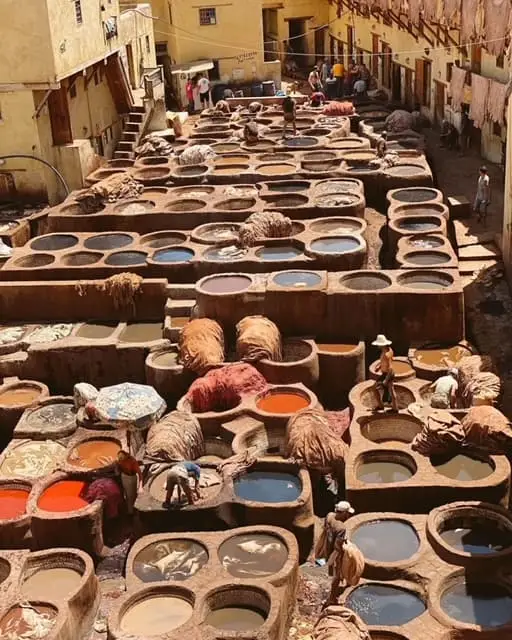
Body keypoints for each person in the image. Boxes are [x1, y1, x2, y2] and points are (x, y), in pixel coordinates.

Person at [315, 501, 355, 604]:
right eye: (347, 513)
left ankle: (338, 578)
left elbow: (326, 529)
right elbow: (338, 547)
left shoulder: (329, 516)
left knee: (332, 570)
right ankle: (332, 597)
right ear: (344, 513)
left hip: (327, 547)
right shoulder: (341, 527)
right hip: (335, 553)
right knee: (336, 575)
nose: (348, 515)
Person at [372, 334, 398, 411]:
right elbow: (386, 362)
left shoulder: (386, 355)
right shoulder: (389, 350)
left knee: (374, 388)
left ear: (381, 344)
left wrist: (386, 380)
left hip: (388, 374)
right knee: (391, 390)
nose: (377, 346)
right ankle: (395, 408)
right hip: (388, 374)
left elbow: (390, 368)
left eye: (378, 344)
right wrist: (380, 367)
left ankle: (381, 406)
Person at [116, 450, 142, 516]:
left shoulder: (132, 461)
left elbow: (140, 474)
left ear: (125, 456)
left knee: (131, 496)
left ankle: (131, 512)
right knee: (126, 494)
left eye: (121, 458)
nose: (120, 459)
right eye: (119, 458)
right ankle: (128, 509)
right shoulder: (119, 460)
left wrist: (140, 486)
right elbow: (117, 465)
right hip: (123, 476)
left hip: (131, 478)